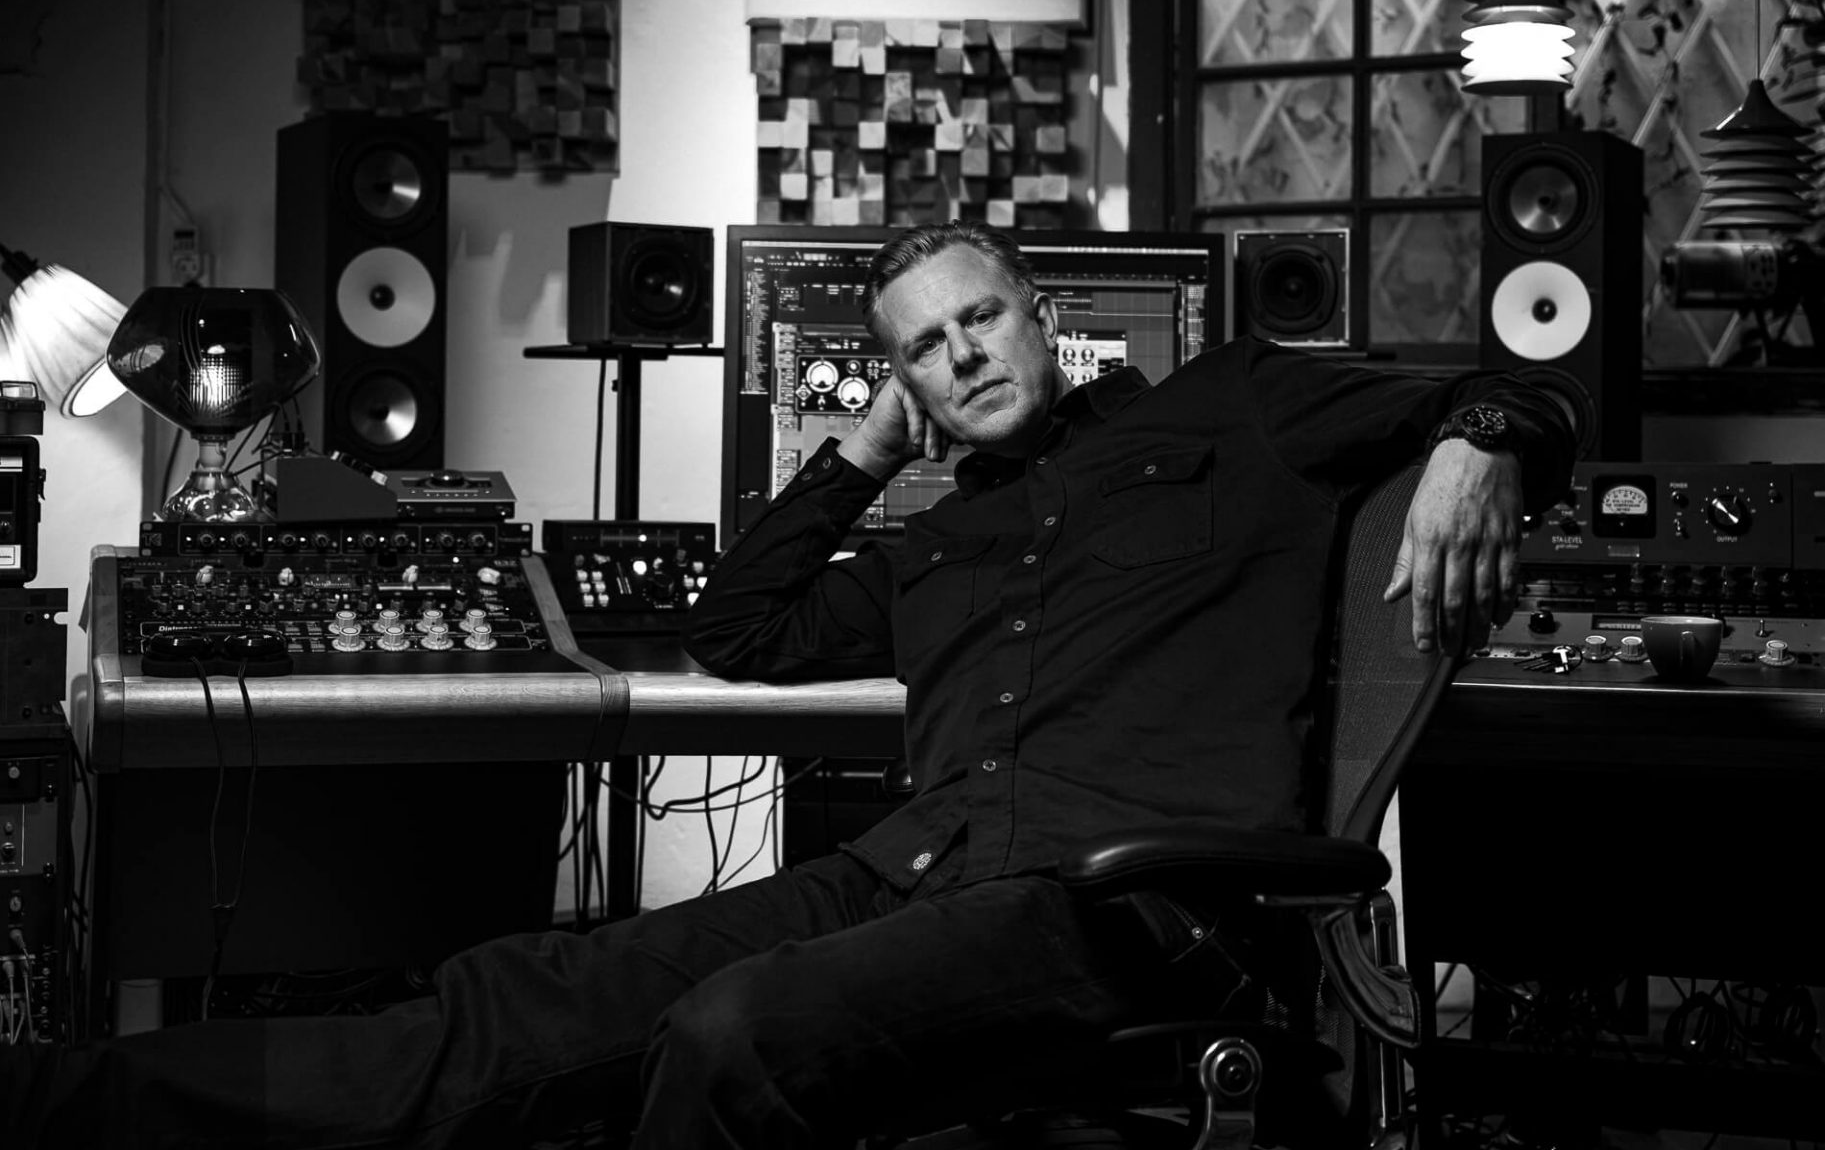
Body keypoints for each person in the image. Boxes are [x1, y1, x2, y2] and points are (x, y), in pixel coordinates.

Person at [4, 219, 1573, 1149]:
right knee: (518, 995)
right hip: (901, 878)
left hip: (1126, 900)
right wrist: (859, 455)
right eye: (922, 349)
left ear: (1045, 321)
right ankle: (63, 1101)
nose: (961, 355)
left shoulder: (1237, 410)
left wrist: (1476, 448)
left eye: (980, 319)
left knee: (735, 1035)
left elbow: (1508, 382)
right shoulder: (934, 544)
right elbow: (738, 632)